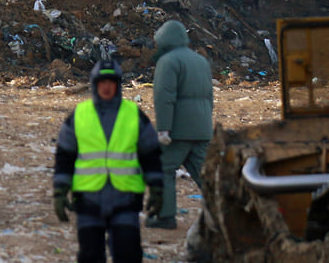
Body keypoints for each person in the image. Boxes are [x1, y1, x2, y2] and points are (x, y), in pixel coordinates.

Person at [53, 59, 165, 262]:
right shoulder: (79, 116)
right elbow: (65, 157)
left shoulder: (133, 115)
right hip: (88, 199)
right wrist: (60, 191)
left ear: (118, 85)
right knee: (90, 255)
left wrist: (156, 186)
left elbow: (150, 154)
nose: (106, 87)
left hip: (125, 199)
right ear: (95, 84)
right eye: (102, 82)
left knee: (127, 254)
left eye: (111, 82)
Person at [149, 19, 213, 230]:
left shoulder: (168, 61)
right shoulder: (201, 61)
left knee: (163, 169)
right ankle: (229, 216)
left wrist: (164, 129)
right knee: (206, 177)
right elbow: (209, 98)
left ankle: (165, 216)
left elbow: (164, 97)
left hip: (178, 131)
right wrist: (204, 125)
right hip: (202, 130)